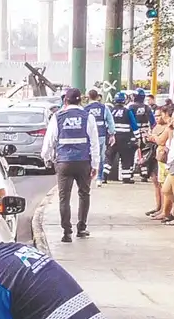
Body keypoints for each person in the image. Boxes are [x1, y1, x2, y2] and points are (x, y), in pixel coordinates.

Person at [41, 87, 101, 243]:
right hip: (83, 162)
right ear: (80, 100)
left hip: (64, 162)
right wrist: (95, 165)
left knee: (64, 198)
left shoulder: (58, 117)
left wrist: (46, 158)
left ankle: (66, 232)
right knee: (84, 194)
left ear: (65, 101)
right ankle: (81, 228)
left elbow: (49, 141)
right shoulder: (88, 117)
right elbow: (94, 143)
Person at [145, 105, 173, 220]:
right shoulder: (157, 126)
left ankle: (165, 211)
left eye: (160, 115)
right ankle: (159, 207)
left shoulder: (168, 127)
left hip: (164, 158)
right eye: (155, 115)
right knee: (157, 183)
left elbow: (161, 140)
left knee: (163, 186)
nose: (158, 118)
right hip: (155, 156)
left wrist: (154, 137)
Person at [84, 89, 116, 188]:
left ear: (88, 97)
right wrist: (112, 134)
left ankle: (88, 176)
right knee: (100, 157)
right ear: (98, 97)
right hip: (101, 135)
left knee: (89, 156)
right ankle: (99, 178)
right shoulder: (104, 107)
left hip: (88, 136)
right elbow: (110, 121)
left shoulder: (86, 108)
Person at [107, 92, 139, 184]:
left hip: (113, 138)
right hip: (125, 139)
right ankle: (126, 178)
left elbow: (107, 123)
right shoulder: (127, 111)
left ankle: (104, 176)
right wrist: (137, 137)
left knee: (109, 157)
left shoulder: (110, 110)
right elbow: (134, 125)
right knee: (126, 158)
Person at [128, 89, 157, 182]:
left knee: (131, 153)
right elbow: (153, 121)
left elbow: (129, 119)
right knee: (144, 152)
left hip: (133, 133)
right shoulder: (147, 107)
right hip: (144, 133)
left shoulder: (130, 106)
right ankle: (144, 173)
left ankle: (130, 172)